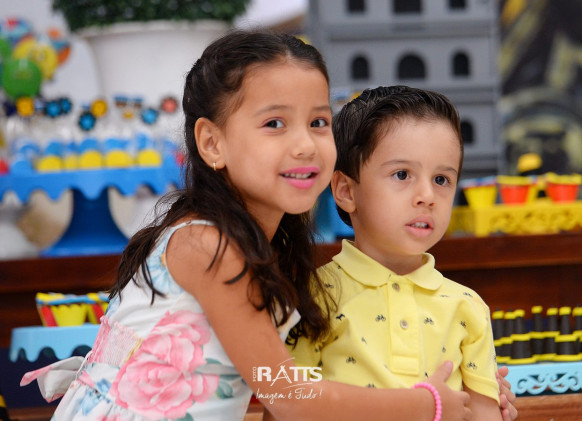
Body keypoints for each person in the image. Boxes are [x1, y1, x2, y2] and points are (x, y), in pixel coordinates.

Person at [23, 30, 482, 421]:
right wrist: (425, 404)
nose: (305, 145)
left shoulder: (260, 244)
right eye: (275, 123)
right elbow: (289, 397)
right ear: (212, 142)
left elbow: (283, 377)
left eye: (318, 121)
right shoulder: (210, 246)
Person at [288, 86, 513, 421]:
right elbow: (287, 406)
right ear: (347, 191)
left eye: (441, 179)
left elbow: (484, 415)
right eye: (402, 175)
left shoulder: (468, 306)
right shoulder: (313, 297)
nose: (427, 196)